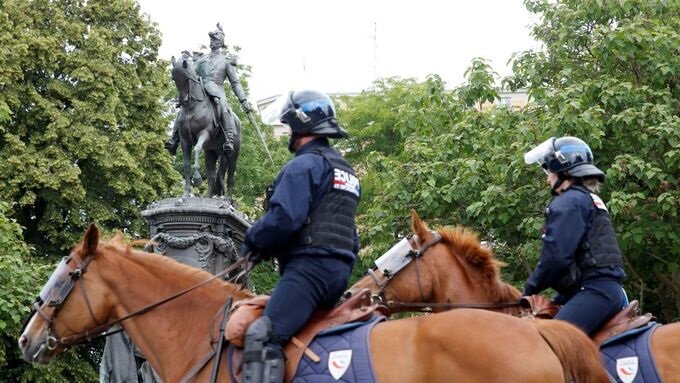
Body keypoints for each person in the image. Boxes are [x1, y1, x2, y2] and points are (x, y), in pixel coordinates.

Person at [240, 90, 360, 383]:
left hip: (309, 272)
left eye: (290, 125)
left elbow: (285, 218)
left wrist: (253, 241)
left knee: (262, 335)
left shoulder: (303, 165)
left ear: (300, 124)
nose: (289, 133)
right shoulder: (346, 171)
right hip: (339, 273)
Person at [522, 136, 627, 336]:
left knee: (547, 342)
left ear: (562, 169)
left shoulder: (568, 202)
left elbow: (556, 258)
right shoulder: (587, 199)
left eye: (548, 170)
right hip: (601, 290)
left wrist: (527, 291)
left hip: (594, 292)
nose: (547, 178)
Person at [165, 23, 251, 155]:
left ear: (221, 43)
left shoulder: (226, 61)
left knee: (224, 107)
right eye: (211, 40)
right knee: (184, 106)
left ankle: (229, 138)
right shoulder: (202, 59)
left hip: (217, 89)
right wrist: (186, 60)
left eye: (215, 40)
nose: (212, 42)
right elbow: (191, 72)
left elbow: (235, 83)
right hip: (200, 89)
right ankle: (174, 139)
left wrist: (243, 100)